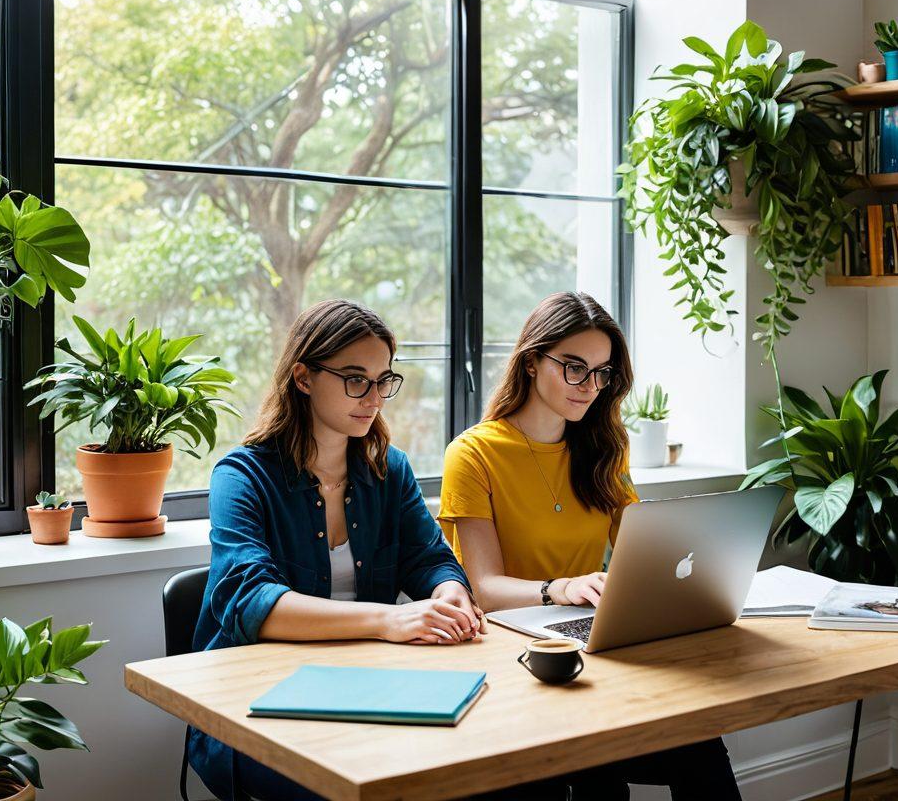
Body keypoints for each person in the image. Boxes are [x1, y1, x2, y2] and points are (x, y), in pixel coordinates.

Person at [439, 291, 743, 801]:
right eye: (574, 367)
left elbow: (645, 552)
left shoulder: (605, 447)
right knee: (599, 773)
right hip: (518, 656)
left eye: (601, 373)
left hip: (595, 648)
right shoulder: (473, 454)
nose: (589, 386)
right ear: (533, 362)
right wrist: (560, 588)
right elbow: (486, 590)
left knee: (700, 745)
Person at [189, 299, 485, 801]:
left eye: (383, 380)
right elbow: (252, 603)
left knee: (482, 773)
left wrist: (450, 590)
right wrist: (387, 621)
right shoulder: (240, 477)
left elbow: (429, 559)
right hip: (252, 710)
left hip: (369, 692)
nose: (373, 397)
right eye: (355, 379)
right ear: (303, 377)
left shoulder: (389, 470)